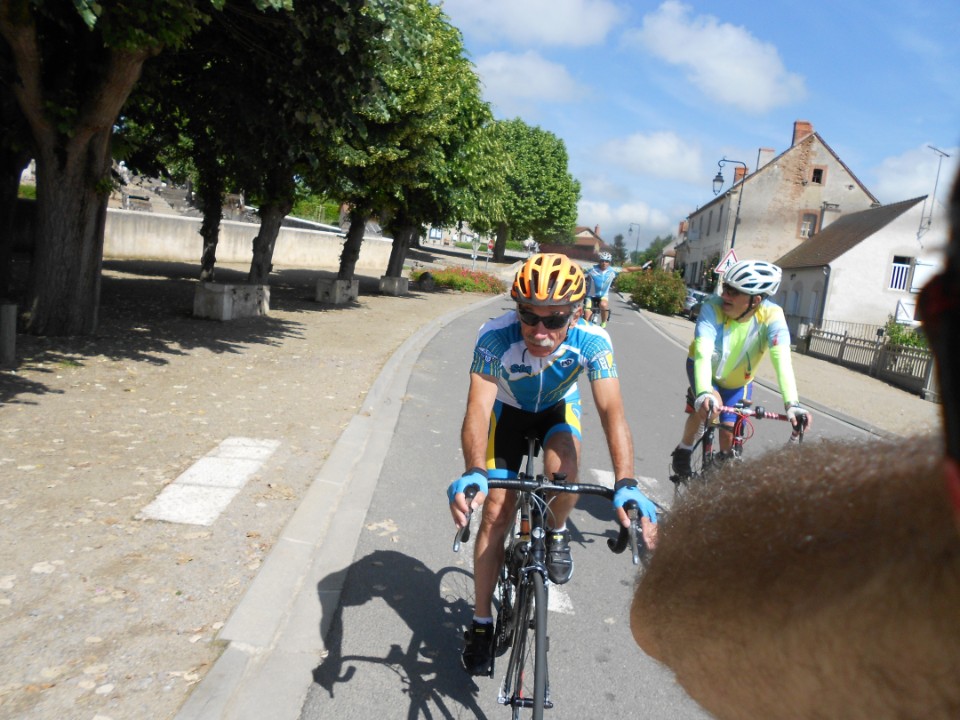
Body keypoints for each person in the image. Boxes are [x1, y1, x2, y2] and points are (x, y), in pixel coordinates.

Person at [447, 252, 658, 676]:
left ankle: (557, 530)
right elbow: (478, 409)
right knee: (496, 511)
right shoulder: (494, 336)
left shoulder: (593, 340)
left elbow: (612, 412)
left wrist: (626, 482)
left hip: (557, 411)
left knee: (565, 474)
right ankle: (482, 622)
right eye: (529, 316)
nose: (540, 331)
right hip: (508, 413)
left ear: (576, 314)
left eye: (555, 319)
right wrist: (474, 471)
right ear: (517, 310)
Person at [670, 259, 811, 477]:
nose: (725, 295)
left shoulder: (772, 317)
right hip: (704, 370)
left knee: (729, 436)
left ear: (756, 300)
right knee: (709, 408)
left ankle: (718, 472)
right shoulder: (712, 308)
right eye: (725, 287)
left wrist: (792, 403)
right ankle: (684, 449)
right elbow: (703, 353)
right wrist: (705, 392)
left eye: (733, 292)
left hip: (739, 382)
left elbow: (782, 361)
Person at [583, 251, 622, 327]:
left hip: (603, 296)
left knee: (603, 305)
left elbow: (627, 269)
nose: (604, 263)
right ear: (599, 261)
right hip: (590, 296)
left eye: (606, 261)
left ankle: (604, 322)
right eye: (602, 261)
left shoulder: (613, 270)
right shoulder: (592, 268)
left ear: (609, 262)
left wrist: (642, 268)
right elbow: (579, 267)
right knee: (587, 318)